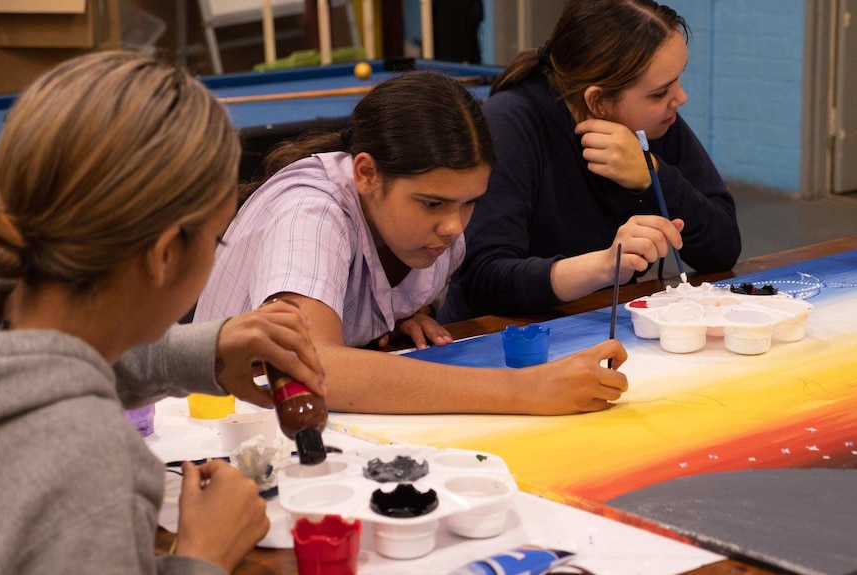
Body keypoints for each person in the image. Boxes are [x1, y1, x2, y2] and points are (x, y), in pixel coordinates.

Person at [0, 52, 325, 574]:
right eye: (217, 237)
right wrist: (202, 555)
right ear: (166, 254)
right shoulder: (90, 465)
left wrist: (201, 352)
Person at [194, 70, 628, 416]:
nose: (454, 227)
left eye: (469, 202)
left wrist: (390, 316)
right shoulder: (308, 211)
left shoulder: (434, 231)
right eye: (432, 203)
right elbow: (314, 368)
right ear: (365, 174)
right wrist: (525, 389)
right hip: (212, 429)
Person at [439, 0, 742, 323]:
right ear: (597, 101)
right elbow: (483, 280)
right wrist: (603, 266)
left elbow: (723, 249)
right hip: (506, 340)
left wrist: (652, 175)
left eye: (678, 80)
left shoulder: (655, 123)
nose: (680, 98)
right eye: (659, 92)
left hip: (606, 324)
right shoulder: (510, 122)